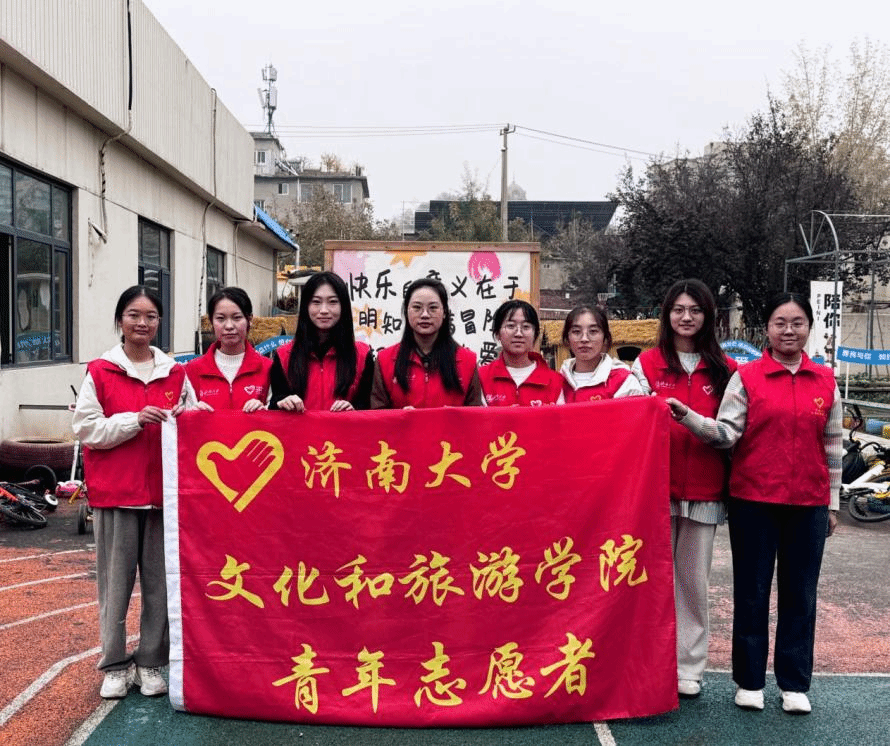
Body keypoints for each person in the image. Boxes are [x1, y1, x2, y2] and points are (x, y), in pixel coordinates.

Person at [666, 292, 842, 714]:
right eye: (780, 323)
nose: (788, 331)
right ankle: (749, 681)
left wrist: (833, 503)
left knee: (800, 595)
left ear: (809, 327)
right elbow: (726, 434)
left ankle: (794, 683)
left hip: (809, 503)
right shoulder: (746, 378)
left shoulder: (826, 381)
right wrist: (689, 417)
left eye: (797, 323)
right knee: (751, 592)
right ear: (767, 328)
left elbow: (833, 446)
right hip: (753, 501)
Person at [72, 285, 195, 699]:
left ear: (159, 322)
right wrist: (134, 420)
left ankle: (151, 662)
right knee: (115, 586)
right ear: (120, 320)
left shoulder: (176, 373)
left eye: (151, 316)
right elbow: (87, 429)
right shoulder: (100, 371)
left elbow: (195, 419)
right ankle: (114, 665)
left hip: (164, 498)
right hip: (116, 496)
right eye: (133, 315)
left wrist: (189, 414)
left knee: (160, 586)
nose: (142, 323)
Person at [630, 280, 736, 699]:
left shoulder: (726, 370)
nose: (686, 317)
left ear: (708, 316)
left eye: (695, 310)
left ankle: (688, 666)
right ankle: (648, 661)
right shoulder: (647, 365)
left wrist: (688, 418)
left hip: (705, 492)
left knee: (692, 584)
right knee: (650, 580)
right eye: (678, 309)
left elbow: (729, 434)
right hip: (654, 491)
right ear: (667, 314)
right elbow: (629, 422)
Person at [270, 271, 374, 412]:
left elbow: (370, 408)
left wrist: (353, 411)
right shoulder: (284, 355)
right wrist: (283, 403)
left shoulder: (362, 355)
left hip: (344, 427)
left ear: (343, 306)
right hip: (300, 428)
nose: (324, 310)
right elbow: (274, 405)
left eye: (333, 302)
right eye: (316, 302)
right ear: (306, 306)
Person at [371, 277, 481, 409]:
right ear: (406, 311)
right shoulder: (385, 360)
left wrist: (454, 416)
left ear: (445, 312)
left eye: (433, 308)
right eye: (417, 307)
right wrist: (401, 416)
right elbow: (377, 414)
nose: (425, 315)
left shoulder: (467, 360)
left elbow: (475, 415)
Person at [186, 287, 272, 412]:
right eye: (220, 318)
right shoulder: (192, 370)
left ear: (250, 320)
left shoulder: (268, 369)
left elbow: (278, 418)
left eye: (237, 318)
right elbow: (178, 416)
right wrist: (191, 413)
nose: (229, 326)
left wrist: (265, 412)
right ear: (211, 322)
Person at [478, 299, 564, 406]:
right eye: (511, 326)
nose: (518, 334)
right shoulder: (481, 378)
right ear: (497, 333)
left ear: (535, 335)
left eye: (526, 327)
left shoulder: (555, 381)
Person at [560, 305, 644, 401]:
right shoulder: (557, 382)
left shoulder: (624, 382)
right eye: (576, 331)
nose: (584, 339)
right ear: (567, 338)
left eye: (593, 331)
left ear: (605, 338)